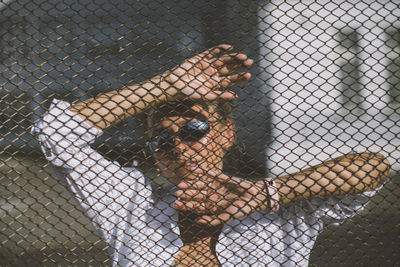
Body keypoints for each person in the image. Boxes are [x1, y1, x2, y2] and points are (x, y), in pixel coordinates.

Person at [32, 44, 390, 266]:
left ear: (226, 134)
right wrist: (163, 86)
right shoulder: (130, 204)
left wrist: (268, 193)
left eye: (194, 130)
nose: (177, 146)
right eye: (161, 139)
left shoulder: (280, 211)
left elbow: (373, 169)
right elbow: (55, 133)